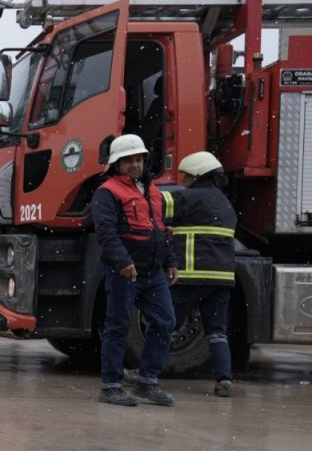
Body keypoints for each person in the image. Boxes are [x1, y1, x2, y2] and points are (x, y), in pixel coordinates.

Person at [92, 133, 178, 407]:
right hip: (125, 272)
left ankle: (146, 382)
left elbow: (162, 229)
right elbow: (106, 232)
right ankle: (110, 387)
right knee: (118, 326)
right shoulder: (107, 192)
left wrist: (170, 261)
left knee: (165, 323)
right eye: (128, 160)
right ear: (116, 164)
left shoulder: (152, 191)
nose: (135, 165)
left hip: (152, 273)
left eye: (139, 159)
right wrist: (123, 262)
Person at [164, 151, 238, 397]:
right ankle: (224, 380)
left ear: (197, 175)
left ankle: (147, 372)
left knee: (166, 325)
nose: (183, 181)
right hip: (222, 279)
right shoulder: (225, 204)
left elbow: (158, 206)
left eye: (185, 177)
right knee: (217, 331)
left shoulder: (191, 198)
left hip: (191, 276)